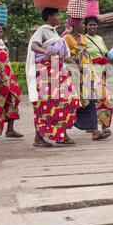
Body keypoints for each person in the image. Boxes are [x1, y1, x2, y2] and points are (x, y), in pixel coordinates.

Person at [26, 8, 80, 148]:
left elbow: (66, 56)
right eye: (57, 15)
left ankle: (61, 134)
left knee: (69, 99)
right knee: (45, 104)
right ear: (50, 17)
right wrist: (44, 51)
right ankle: (39, 138)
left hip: (59, 70)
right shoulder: (42, 30)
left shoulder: (55, 32)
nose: (59, 17)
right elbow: (33, 45)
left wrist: (77, 66)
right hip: (45, 72)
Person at [64, 18, 111, 141]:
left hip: (87, 74)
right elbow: (65, 56)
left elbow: (86, 55)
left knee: (90, 101)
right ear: (74, 25)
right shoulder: (67, 38)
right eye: (82, 24)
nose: (84, 26)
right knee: (71, 102)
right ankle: (63, 132)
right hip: (73, 75)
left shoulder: (83, 38)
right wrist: (77, 67)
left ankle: (95, 131)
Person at [84, 17, 113, 134]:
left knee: (103, 100)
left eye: (94, 25)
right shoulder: (83, 39)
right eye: (90, 25)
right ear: (86, 26)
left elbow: (106, 53)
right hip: (90, 72)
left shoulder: (100, 38)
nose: (92, 27)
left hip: (102, 72)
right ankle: (95, 126)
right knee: (96, 100)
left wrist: (108, 57)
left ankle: (102, 125)